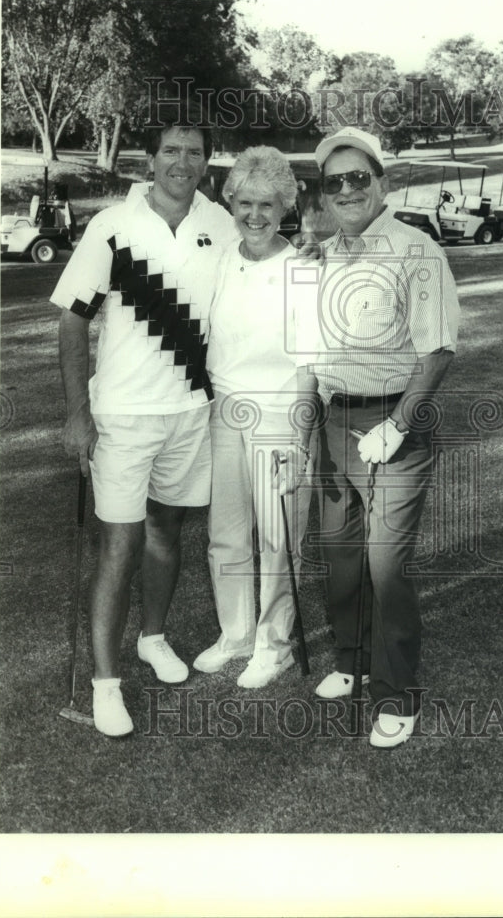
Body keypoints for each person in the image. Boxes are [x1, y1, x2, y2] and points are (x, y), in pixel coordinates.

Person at [50, 103, 238, 737]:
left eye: (193, 151)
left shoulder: (223, 223)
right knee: (120, 544)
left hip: (191, 409)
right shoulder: (111, 226)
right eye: (171, 151)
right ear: (149, 159)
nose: (181, 162)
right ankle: (106, 685)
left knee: (167, 534)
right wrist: (79, 412)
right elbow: (73, 320)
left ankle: (153, 639)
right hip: (124, 416)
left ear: (206, 159)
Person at [310, 127, 460, 749]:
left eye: (358, 178)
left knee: (384, 563)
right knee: (341, 556)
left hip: (396, 421)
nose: (347, 189)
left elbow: (440, 350)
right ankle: (351, 659)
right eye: (334, 181)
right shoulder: (324, 252)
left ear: (382, 184)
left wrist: (398, 425)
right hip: (334, 419)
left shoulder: (417, 251)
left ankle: (396, 692)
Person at [193, 147, 317, 688]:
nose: (255, 216)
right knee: (226, 534)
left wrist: (301, 439)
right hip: (224, 408)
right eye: (245, 203)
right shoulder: (222, 257)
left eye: (267, 204)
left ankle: (274, 644)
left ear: (286, 206)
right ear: (231, 203)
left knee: (277, 536)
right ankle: (237, 634)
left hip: (280, 412)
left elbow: (313, 363)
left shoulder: (304, 269)